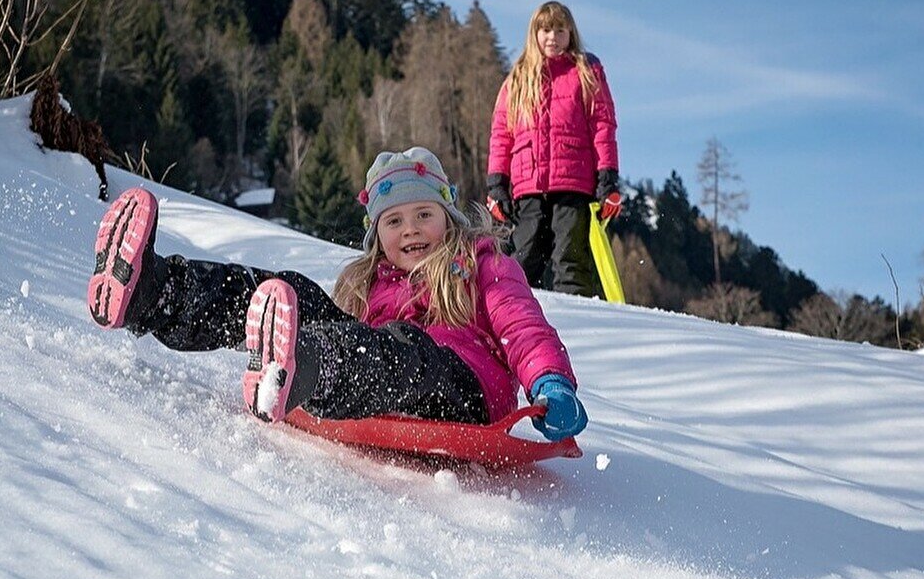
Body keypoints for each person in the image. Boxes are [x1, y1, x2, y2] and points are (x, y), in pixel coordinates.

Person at [85, 146, 588, 441]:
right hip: (381, 369)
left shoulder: (481, 262)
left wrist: (549, 382)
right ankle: (155, 291)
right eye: (394, 221)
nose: (410, 230)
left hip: (464, 388)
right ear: (377, 232)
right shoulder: (369, 281)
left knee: (399, 352)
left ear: (449, 217)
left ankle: (300, 368)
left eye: (424, 216)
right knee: (291, 292)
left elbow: (523, 326)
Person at [486, 0, 622, 298]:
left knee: (570, 258)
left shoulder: (586, 71)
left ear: (571, 33)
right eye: (546, 30)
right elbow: (501, 134)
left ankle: (576, 318)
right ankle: (519, 316)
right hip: (527, 186)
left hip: (574, 183)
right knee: (526, 257)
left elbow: (603, 125)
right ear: (534, 34)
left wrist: (608, 178)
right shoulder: (519, 78)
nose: (553, 37)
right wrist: (497, 185)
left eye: (560, 30)